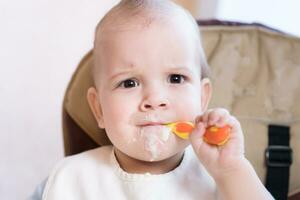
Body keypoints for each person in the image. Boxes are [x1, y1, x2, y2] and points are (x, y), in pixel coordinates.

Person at [40, 0, 274, 199]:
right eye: (129, 83)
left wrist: (232, 169)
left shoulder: (222, 177)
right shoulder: (73, 177)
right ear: (99, 108)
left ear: (202, 99)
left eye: (175, 78)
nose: (154, 100)